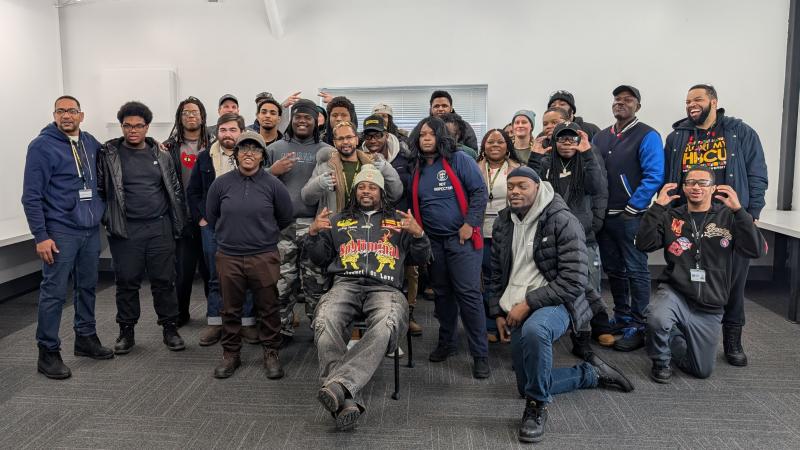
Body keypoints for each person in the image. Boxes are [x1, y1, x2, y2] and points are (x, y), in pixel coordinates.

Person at [487, 166, 633, 443]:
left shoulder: (561, 220)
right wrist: (497, 311)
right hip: (517, 302)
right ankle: (589, 374)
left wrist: (529, 303)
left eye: (523, 186)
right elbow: (496, 272)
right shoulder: (504, 221)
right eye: (511, 186)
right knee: (526, 384)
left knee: (536, 332)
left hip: (559, 299)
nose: (515, 191)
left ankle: (536, 408)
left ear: (538, 187)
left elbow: (575, 279)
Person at [305, 165, 431, 430]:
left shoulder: (399, 221)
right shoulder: (338, 220)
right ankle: (348, 398)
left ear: (381, 192)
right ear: (354, 191)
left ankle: (339, 386)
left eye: (372, 187)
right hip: (345, 283)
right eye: (361, 186)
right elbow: (318, 258)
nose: (366, 191)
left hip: (385, 287)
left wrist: (419, 235)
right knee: (324, 320)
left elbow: (421, 259)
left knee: (387, 324)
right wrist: (314, 233)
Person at [662, 84, 768, 367]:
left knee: (733, 283)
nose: (691, 104)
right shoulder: (676, 137)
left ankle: (733, 340)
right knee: (685, 279)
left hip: (729, 220)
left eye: (697, 99)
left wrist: (752, 213)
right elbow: (669, 179)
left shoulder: (739, 132)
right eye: (687, 101)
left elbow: (757, 173)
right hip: (687, 221)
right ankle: (685, 335)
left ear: (714, 101)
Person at [636, 167, 766, 382]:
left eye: (703, 183)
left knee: (701, 371)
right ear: (684, 187)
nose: (696, 187)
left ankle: (672, 336)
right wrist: (657, 207)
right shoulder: (671, 216)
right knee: (657, 317)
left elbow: (756, 251)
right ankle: (660, 360)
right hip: (675, 291)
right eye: (690, 182)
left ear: (713, 188)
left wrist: (740, 211)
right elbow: (644, 244)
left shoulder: (728, 217)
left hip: (710, 302)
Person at [22, 95, 113, 379]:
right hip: (60, 231)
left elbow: (113, 155)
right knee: (54, 292)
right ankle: (48, 351)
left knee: (87, 286)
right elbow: (31, 197)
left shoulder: (89, 143)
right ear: (54, 115)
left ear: (81, 115)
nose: (66, 116)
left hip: (89, 229)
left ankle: (85, 338)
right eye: (60, 111)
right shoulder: (41, 146)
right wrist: (41, 235)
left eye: (71, 111)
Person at [98, 101, 187, 354]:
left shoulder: (161, 154)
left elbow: (174, 189)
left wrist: (177, 222)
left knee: (164, 281)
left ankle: (170, 329)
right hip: (126, 231)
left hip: (160, 227)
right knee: (126, 282)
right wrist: (108, 218)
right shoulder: (109, 154)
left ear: (147, 127)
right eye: (128, 126)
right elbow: (101, 191)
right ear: (121, 126)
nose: (133, 130)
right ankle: (126, 332)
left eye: (138, 126)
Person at [206, 131, 294, 380]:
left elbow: (285, 217)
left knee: (268, 307)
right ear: (235, 154)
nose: (249, 153)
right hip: (229, 256)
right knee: (230, 308)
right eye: (243, 148)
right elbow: (212, 217)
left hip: (263, 256)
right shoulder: (221, 184)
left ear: (262, 156)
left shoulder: (273, 185)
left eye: (255, 149)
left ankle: (271, 352)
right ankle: (231, 353)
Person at [409, 116, 490, 378]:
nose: (426, 138)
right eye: (422, 135)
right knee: (442, 295)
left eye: (431, 134)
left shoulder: (459, 160)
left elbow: (479, 192)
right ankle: (447, 343)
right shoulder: (418, 166)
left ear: (441, 136)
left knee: (468, 295)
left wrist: (470, 224)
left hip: (462, 239)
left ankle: (480, 355)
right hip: (434, 243)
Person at [529, 122, 614, 353]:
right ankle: (561, 329)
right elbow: (530, 190)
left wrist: (586, 152)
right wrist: (535, 158)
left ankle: (585, 338)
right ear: (554, 142)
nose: (567, 143)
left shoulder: (587, 163)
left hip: (583, 236)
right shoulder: (547, 164)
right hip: (552, 236)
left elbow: (597, 187)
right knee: (561, 285)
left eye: (571, 139)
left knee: (588, 287)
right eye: (562, 139)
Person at [593, 85, 664, 352]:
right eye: (617, 99)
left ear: (638, 106)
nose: (620, 103)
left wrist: (633, 208)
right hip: (605, 218)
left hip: (631, 217)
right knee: (614, 270)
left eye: (628, 100)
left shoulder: (647, 135)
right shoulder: (601, 137)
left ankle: (639, 323)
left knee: (636, 269)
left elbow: (654, 175)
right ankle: (622, 317)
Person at [186, 113, 258, 346]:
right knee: (215, 277)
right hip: (213, 227)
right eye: (223, 130)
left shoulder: (251, 156)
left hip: (244, 227)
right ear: (217, 132)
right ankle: (215, 323)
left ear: (241, 131)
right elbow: (193, 192)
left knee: (245, 276)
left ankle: (246, 323)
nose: (228, 134)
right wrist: (201, 220)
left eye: (232, 130)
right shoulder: (205, 158)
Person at [266, 99, 334, 336]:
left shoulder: (326, 151)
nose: (302, 121)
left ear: (316, 121)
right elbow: (255, 182)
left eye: (307, 117)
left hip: (315, 226)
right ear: (291, 120)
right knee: (283, 283)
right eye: (298, 117)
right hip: (282, 227)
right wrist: (272, 172)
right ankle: (282, 327)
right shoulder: (275, 149)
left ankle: (320, 331)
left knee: (316, 283)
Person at [360, 114, 421, 335]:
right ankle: (379, 315)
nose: (373, 139)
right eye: (368, 135)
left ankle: (409, 313)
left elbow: (409, 187)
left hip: (401, 215)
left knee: (410, 270)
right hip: (372, 219)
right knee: (382, 265)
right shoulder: (360, 155)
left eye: (377, 134)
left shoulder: (403, 155)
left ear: (386, 134)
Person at [163, 97, 212, 327]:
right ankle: (181, 314)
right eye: (185, 113)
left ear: (202, 116)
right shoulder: (169, 148)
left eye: (194, 112)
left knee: (211, 271)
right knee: (182, 272)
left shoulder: (214, 144)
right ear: (179, 118)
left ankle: (215, 315)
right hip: (183, 218)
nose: (190, 116)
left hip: (208, 216)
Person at [476, 129, 521, 343]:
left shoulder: (518, 168)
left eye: (500, 141)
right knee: (486, 278)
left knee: (507, 276)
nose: (495, 145)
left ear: (507, 145)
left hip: (508, 229)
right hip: (480, 230)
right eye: (490, 141)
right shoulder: (474, 168)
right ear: (483, 145)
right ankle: (490, 322)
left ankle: (511, 322)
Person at [301, 121, 402, 215]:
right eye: (340, 138)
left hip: (366, 228)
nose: (345, 142)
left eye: (349, 137)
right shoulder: (325, 166)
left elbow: (395, 195)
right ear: (335, 142)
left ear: (357, 139)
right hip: (332, 228)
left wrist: (386, 169)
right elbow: (307, 199)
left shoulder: (374, 164)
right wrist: (319, 183)